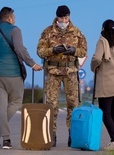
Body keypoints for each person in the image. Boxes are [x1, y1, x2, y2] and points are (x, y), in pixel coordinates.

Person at [0, 6, 42, 149]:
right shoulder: (15, 30)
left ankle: (6, 140)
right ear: (9, 18)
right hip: (13, 73)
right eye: (14, 17)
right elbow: (20, 49)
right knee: (15, 102)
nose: (15, 19)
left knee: (1, 107)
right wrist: (32, 64)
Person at [37, 5, 87, 147]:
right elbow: (40, 51)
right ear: (57, 17)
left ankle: (73, 134)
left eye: (66, 17)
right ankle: (51, 135)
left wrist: (74, 51)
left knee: (73, 104)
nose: (64, 20)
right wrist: (53, 50)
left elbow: (83, 51)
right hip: (53, 72)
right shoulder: (47, 32)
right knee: (51, 105)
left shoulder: (76, 32)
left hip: (70, 72)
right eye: (62, 18)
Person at [90, 19, 114, 151]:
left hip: (107, 83)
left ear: (102, 29)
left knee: (105, 112)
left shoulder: (102, 40)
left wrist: (93, 67)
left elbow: (96, 58)